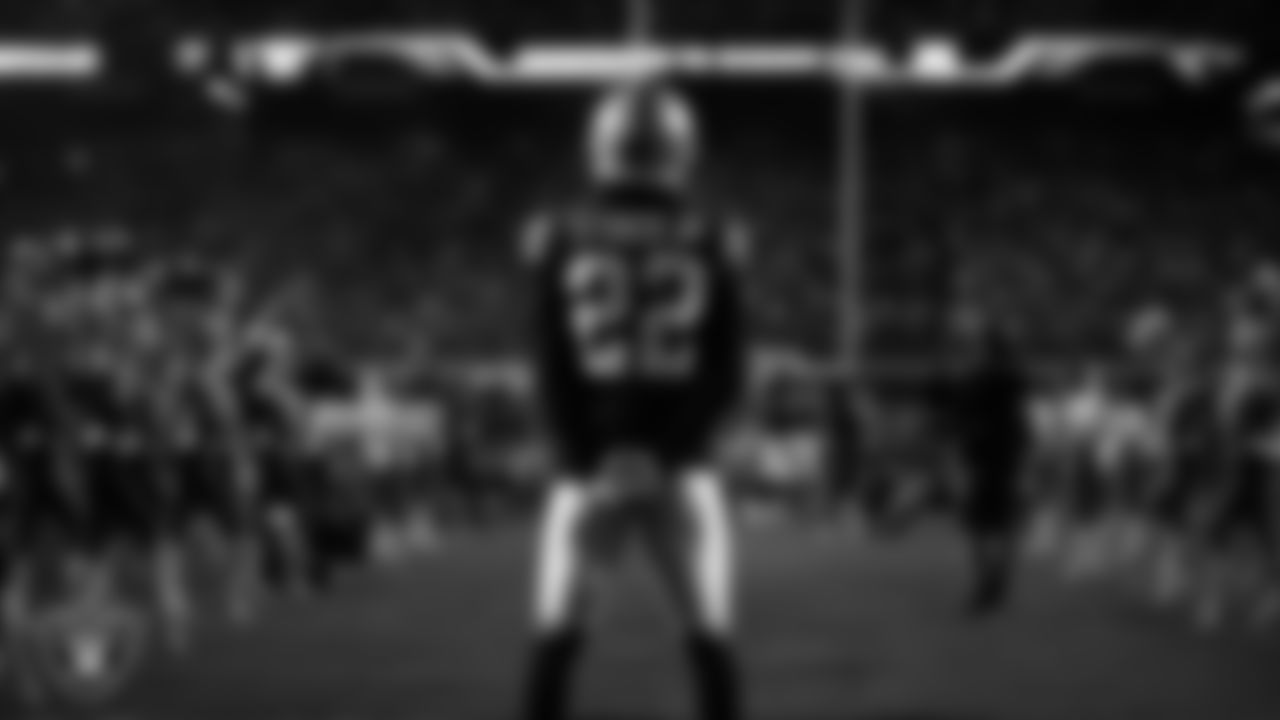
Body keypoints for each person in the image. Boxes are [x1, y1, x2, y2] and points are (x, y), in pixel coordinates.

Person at [518, 79, 749, 720]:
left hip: (587, 470)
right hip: (684, 468)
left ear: (601, 144)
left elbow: (551, 364)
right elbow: (727, 370)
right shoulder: (710, 236)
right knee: (709, 640)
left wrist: (588, 456)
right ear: (681, 147)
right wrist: (665, 452)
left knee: (557, 640)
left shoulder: (561, 235)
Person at [938, 306, 1032, 615]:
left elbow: (960, 423)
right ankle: (996, 576)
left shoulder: (976, 382)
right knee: (1001, 522)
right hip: (1005, 456)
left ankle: (988, 580)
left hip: (983, 458)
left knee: (978, 523)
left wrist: (958, 454)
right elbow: (1021, 422)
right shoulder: (1010, 379)